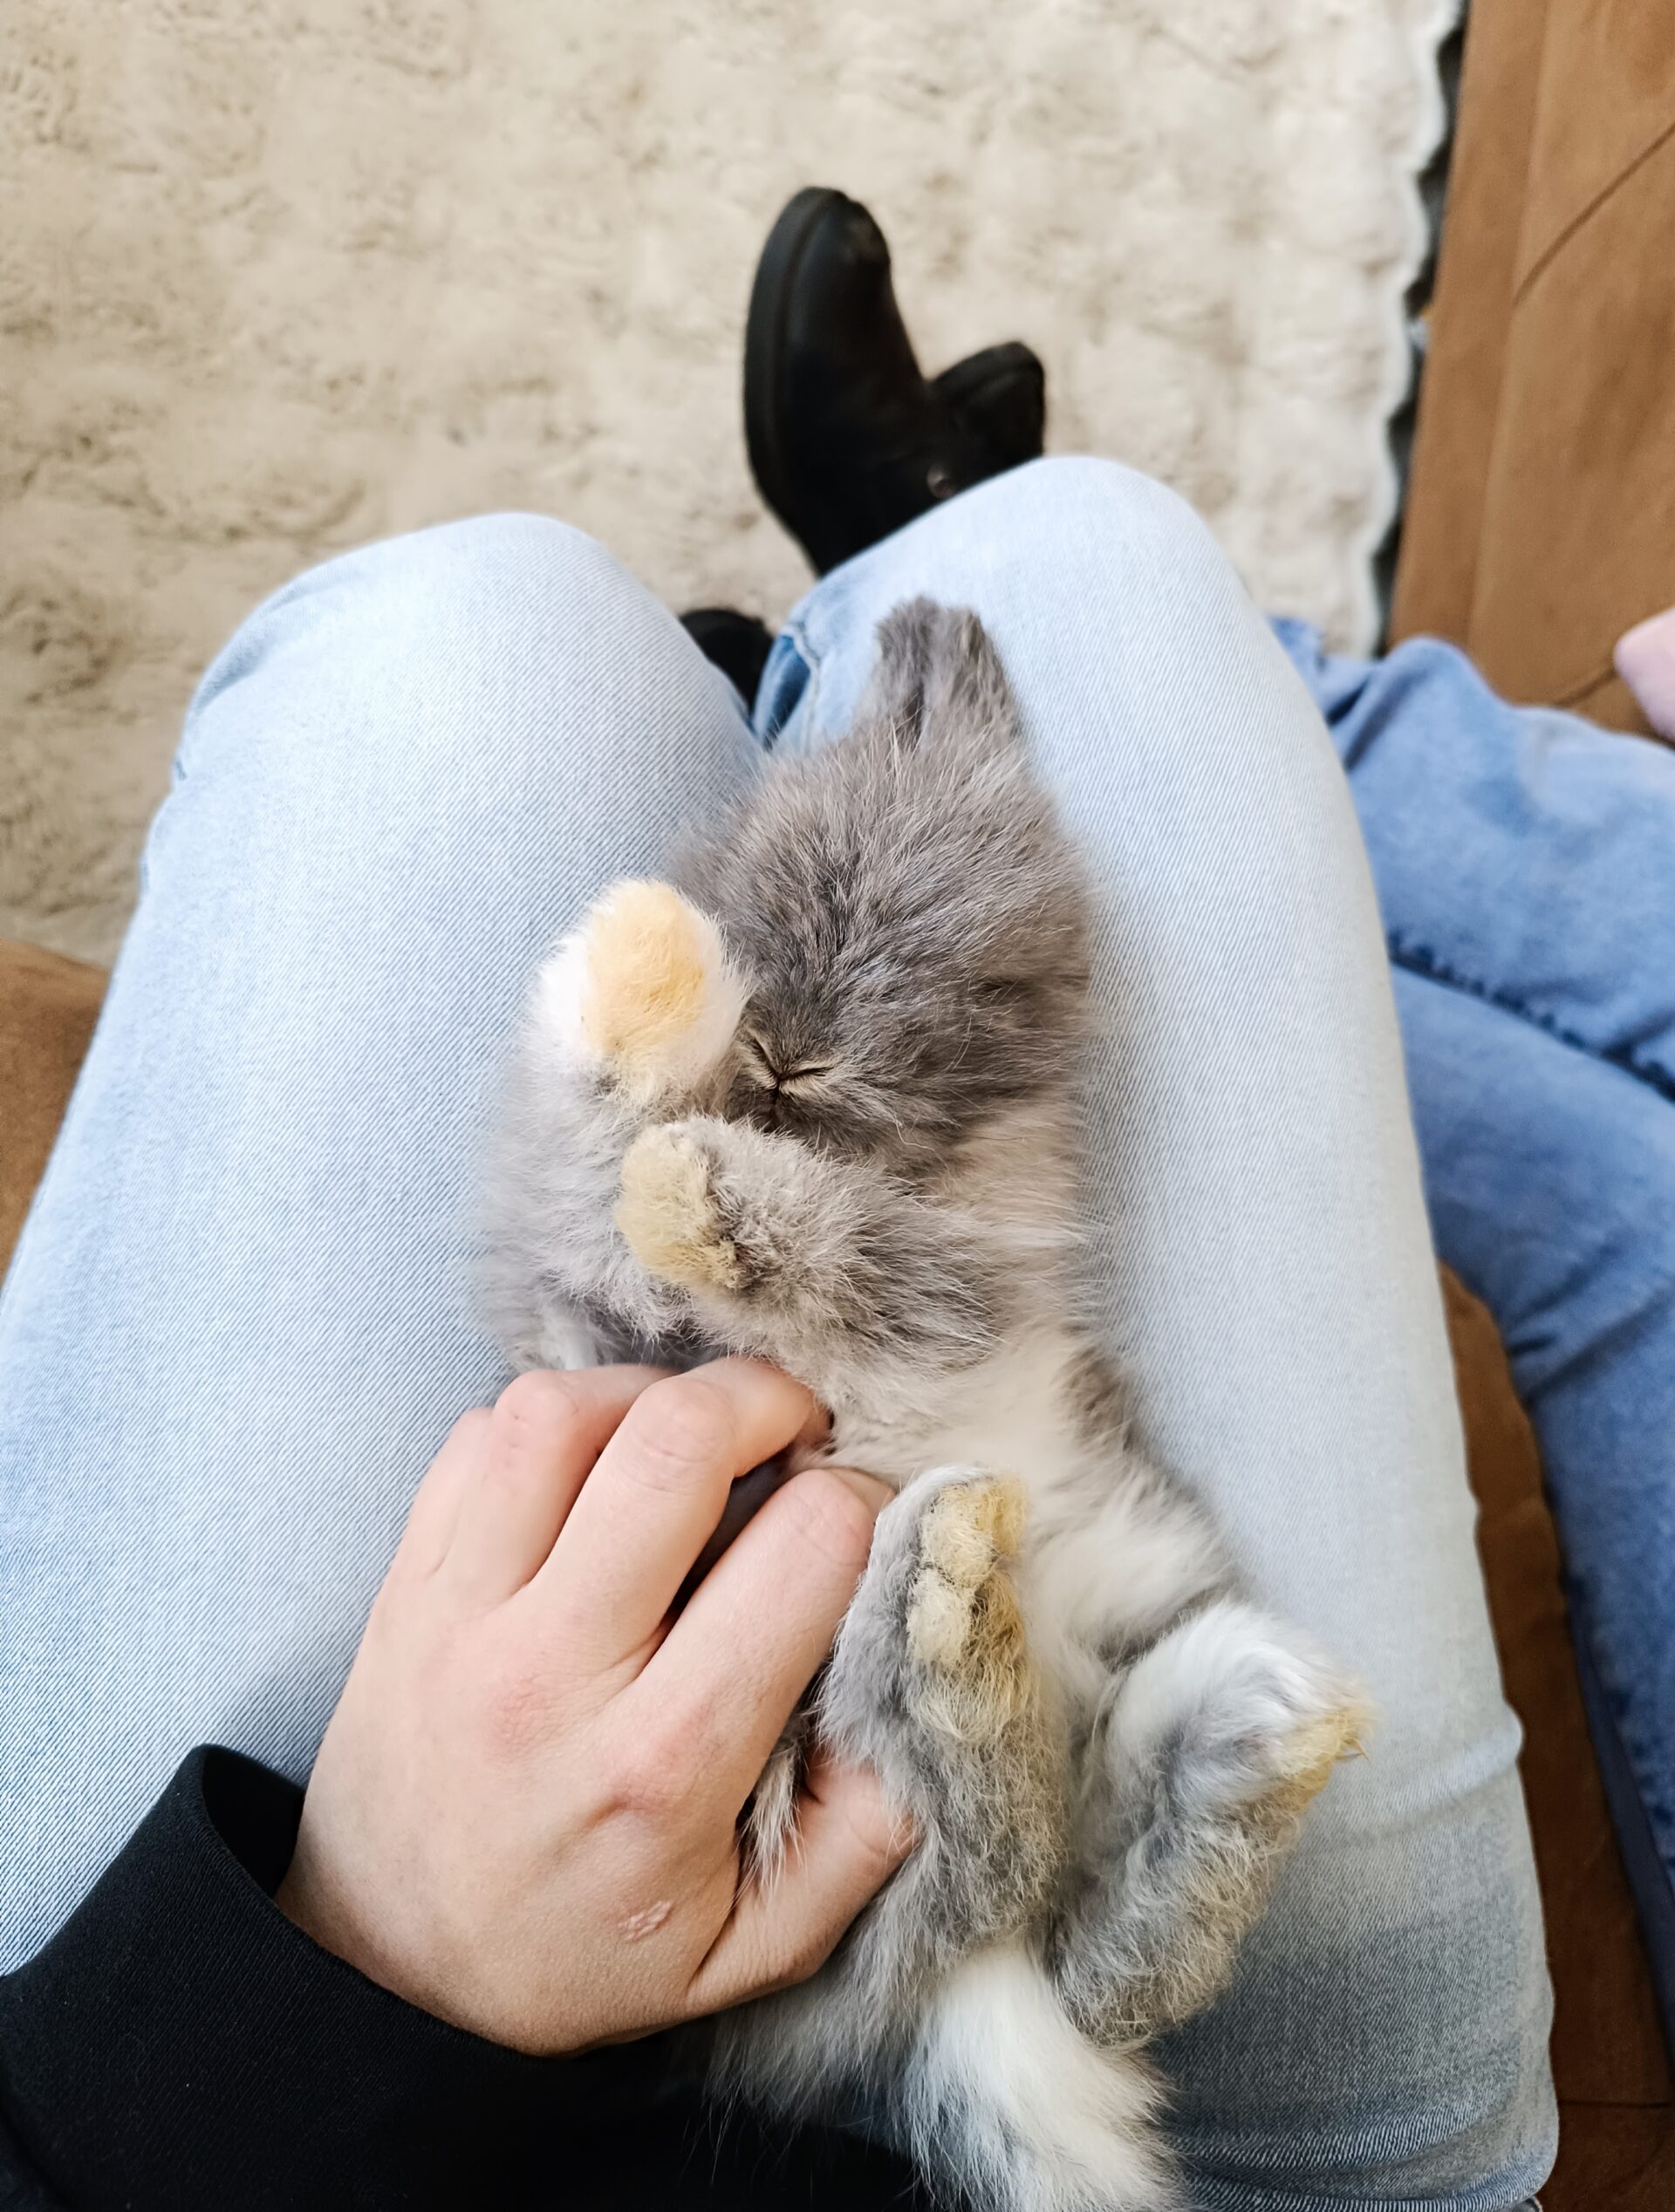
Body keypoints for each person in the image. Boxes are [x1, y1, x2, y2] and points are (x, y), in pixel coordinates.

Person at [0, 190, 1569, 2209]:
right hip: (1260, 2153)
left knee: (471, 643)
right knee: (1090, 563)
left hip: (205, 2118)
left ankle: (827, 618)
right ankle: (902, 555)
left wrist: (360, 1960)